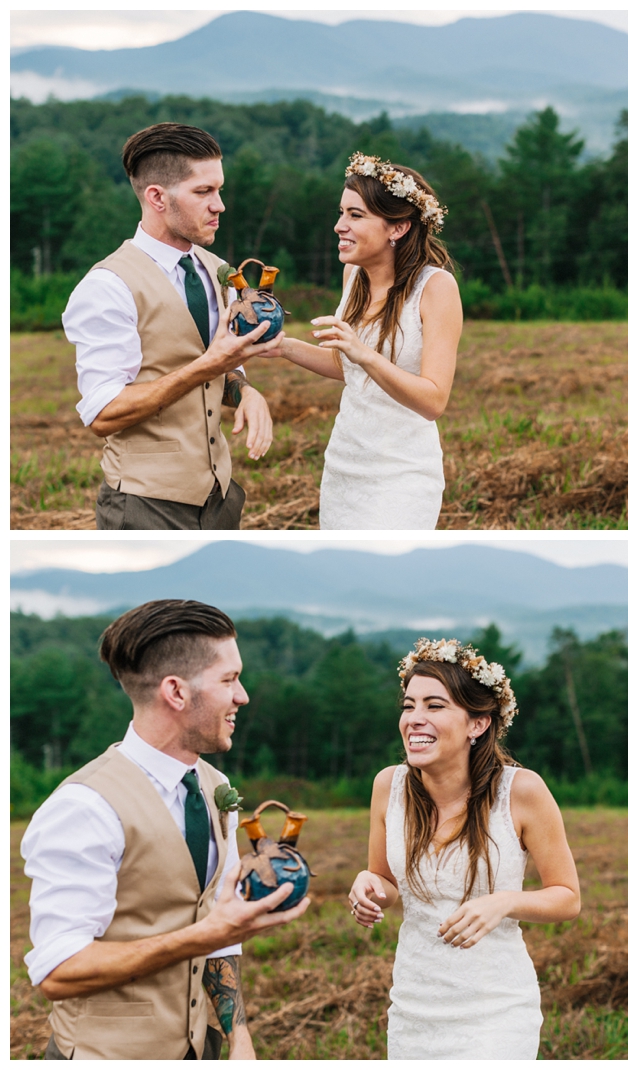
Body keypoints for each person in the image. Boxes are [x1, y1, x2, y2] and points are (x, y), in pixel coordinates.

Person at [20, 600, 309, 1060]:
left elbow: (219, 921)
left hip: (200, 1050)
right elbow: (59, 970)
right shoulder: (85, 807)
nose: (243, 697)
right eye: (229, 680)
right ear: (175, 692)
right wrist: (205, 935)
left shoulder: (217, 787)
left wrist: (239, 1037)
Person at [347, 637, 581, 1060]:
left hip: (496, 1012)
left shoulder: (522, 791)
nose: (415, 719)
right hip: (413, 1007)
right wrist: (369, 886)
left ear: (478, 723)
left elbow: (567, 898)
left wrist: (504, 903)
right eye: (408, 706)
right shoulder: (389, 786)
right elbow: (385, 880)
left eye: (435, 706)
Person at [62, 123, 285, 530]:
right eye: (203, 192)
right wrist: (206, 366)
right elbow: (103, 413)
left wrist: (247, 390)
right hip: (143, 506)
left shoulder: (219, 271)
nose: (219, 205)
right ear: (157, 197)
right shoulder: (107, 287)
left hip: (220, 501)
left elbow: (224, 363)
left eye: (219, 190)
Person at [268, 152, 462, 529]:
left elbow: (433, 401)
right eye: (341, 213)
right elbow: (348, 369)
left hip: (402, 474)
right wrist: (280, 346)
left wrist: (364, 353)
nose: (340, 226)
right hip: (344, 463)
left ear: (398, 228)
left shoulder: (436, 288)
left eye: (356, 216)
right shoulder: (353, 276)